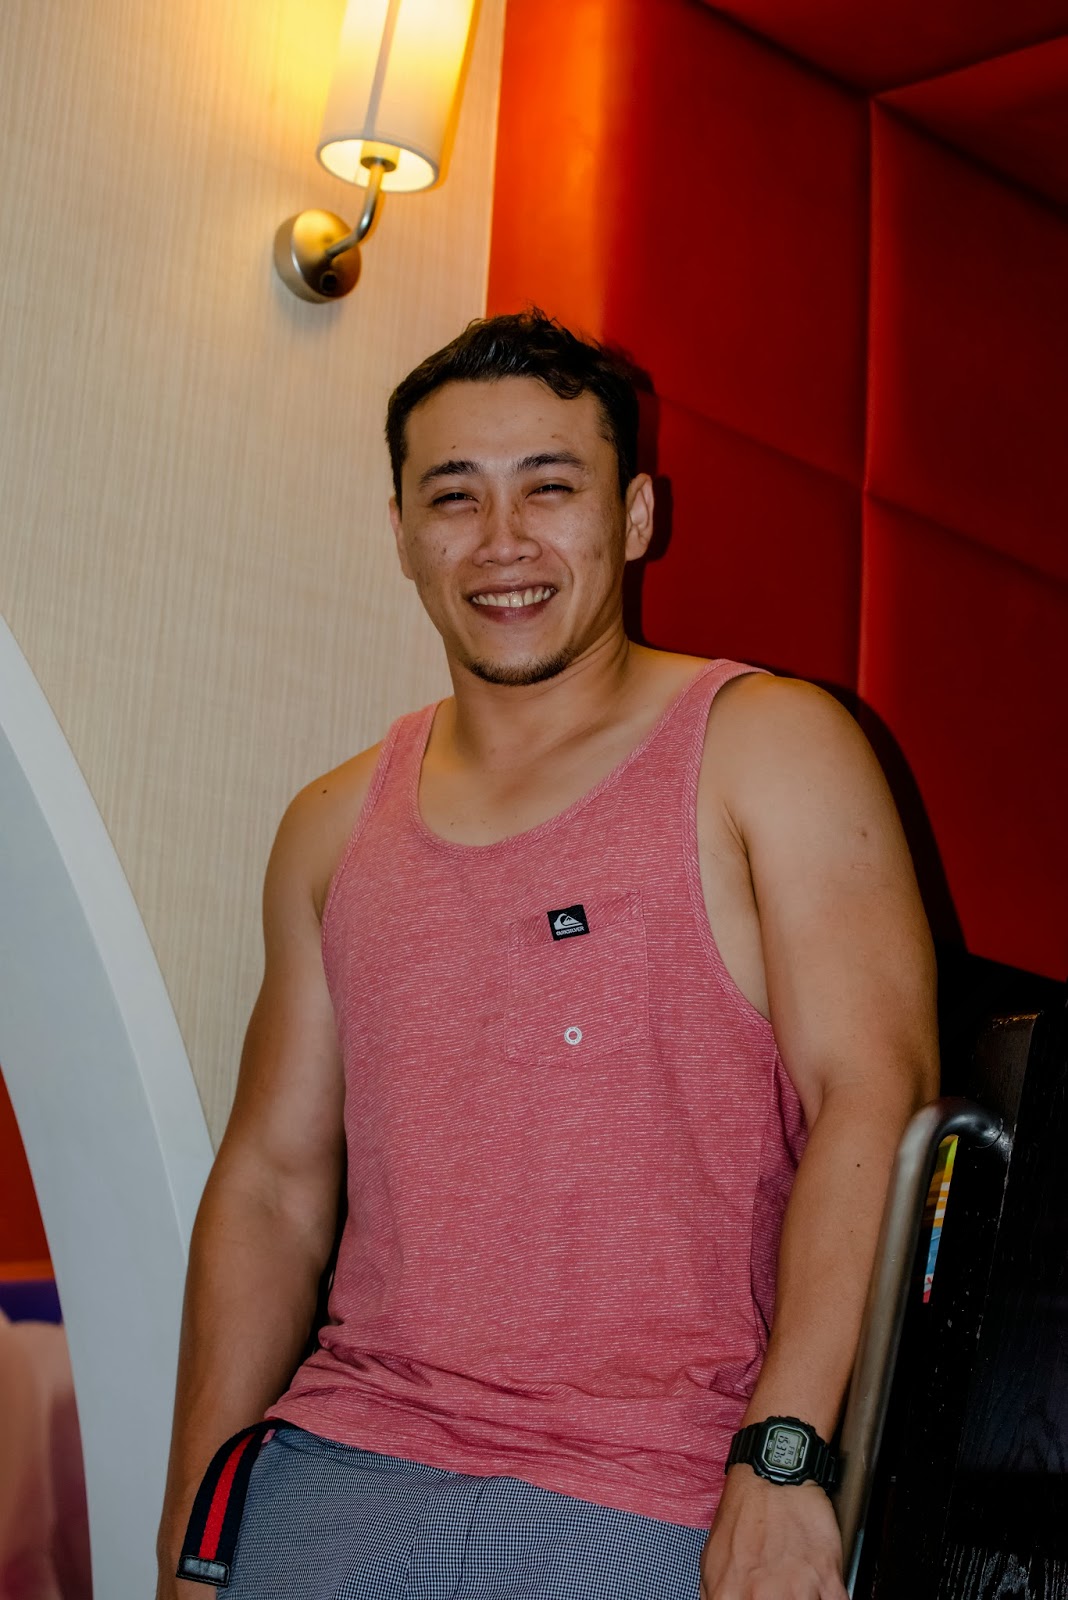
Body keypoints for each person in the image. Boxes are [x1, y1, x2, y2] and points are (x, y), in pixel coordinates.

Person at [156, 311, 938, 1600]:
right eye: (453, 496)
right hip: (329, 1476)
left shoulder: (770, 745)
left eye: (550, 488)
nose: (501, 541)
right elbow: (272, 1187)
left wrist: (787, 1455)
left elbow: (878, 1094)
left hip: (637, 1496)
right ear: (401, 532)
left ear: (634, 516)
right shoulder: (331, 826)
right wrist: (195, 1523)